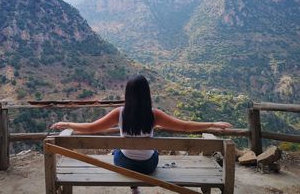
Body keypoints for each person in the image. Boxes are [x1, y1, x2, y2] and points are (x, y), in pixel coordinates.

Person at [50, 75, 232, 194]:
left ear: (127, 94)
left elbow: (91, 129)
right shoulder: (155, 114)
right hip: (148, 166)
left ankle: (134, 188)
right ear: (147, 94)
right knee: (152, 152)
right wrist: (212, 124)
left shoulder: (119, 113)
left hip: (124, 164)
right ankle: (135, 180)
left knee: (117, 151)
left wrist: (67, 124)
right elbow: (185, 127)